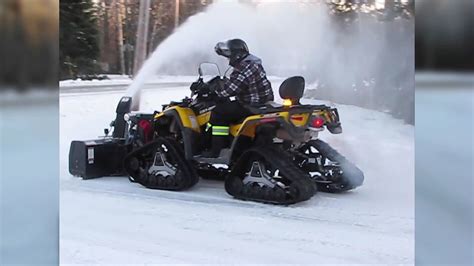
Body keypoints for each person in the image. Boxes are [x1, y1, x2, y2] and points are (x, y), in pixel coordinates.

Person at [202, 38, 274, 158]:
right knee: (230, 107)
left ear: (237, 55)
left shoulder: (243, 67)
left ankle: (217, 150)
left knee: (218, 112)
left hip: (251, 105)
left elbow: (228, 91)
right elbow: (242, 85)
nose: (229, 59)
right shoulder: (254, 64)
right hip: (263, 103)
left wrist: (211, 89)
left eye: (230, 56)